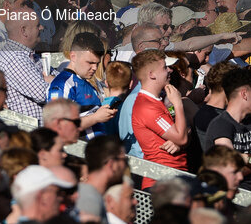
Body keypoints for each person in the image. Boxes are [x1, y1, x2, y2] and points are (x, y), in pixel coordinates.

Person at [130, 49, 188, 187]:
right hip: (162, 183)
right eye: (165, 67)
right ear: (151, 74)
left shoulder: (156, 101)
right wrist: (178, 104)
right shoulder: (146, 106)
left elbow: (182, 134)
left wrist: (179, 142)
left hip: (173, 177)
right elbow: (181, 137)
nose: (170, 70)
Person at [47, 32, 117, 140]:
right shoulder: (62, 84)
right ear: (73, 56)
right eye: (90, 62)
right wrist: (96, 117)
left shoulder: (87, 82)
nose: (94, 68)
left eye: (97, 63)